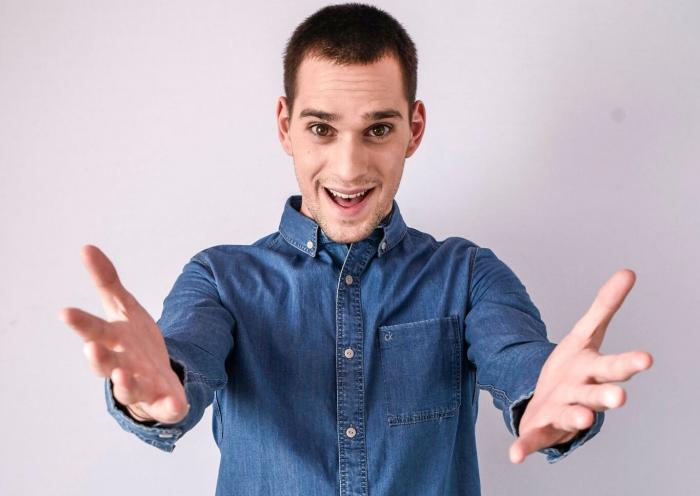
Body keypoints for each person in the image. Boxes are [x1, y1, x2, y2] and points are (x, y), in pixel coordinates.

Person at [59, 4, 653, 495]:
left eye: (378, 129)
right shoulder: (219, 278)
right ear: (285, 126)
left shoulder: (469, 275)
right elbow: (184, 359)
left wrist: (545, 398)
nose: (349, 168)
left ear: (414, 129)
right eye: (321, 128)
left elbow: (522, 360)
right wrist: (154, 392)